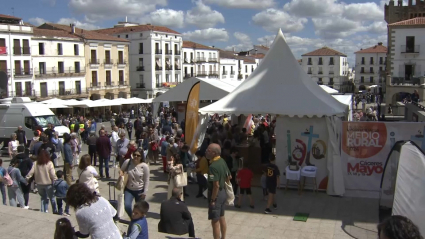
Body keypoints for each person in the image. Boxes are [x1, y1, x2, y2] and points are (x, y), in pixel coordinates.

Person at [206, 143, 231, 239]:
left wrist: (212, 200)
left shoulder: (213, 167)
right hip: (223, 192)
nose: (206, 152)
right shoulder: (222, 161)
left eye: (208, 150)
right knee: (221, 217)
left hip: (216, 195)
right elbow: (229, 176)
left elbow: (215, 185)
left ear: (214, 153)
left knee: (215, 221)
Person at [26, 149, 58, 213]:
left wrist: (27, 178)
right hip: (48, 183)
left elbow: (30, 173)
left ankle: (44, 210)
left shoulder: (35, 163)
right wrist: (55, 179)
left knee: (43, 198)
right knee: (52, 198)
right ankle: (54, 210)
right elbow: (52, 174)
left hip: (39, 183)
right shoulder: (49, 163)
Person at [120, 148, 150, 218]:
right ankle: (133, 218)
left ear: (141, 157)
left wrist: (145, 192)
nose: (136, 156)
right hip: (129, 189)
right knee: (127, 205)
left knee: (139, 209)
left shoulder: (144, 166)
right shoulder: (128, 162)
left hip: (139, 190)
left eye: (138, 155)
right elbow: (121, 169)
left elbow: (146, 180)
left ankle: (139, 221)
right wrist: (121, 174)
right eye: (134, 155)